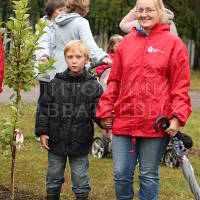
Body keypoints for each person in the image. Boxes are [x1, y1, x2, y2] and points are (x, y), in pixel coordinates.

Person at [96, 0, 192, 199]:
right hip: (125, 119)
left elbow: (180, 86)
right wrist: (105, 110)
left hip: (155, 124)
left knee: (148, 175)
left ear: (159, 12)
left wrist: (176, 117)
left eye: (149, 10)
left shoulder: (174, 44)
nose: (144, 14)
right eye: (140, 10)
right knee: (121, 174)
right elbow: (113, 80)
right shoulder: (127, 43)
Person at [35, 40, 103, 200]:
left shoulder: (93, 85)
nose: (74, 60)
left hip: (80, 141)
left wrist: (105, 121)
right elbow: (44, 109)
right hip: (56, 140)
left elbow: (98, 110)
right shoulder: (55, 83)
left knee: (80, 179)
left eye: (78, 57)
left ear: (86, 59)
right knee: (53, 176)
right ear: (65, 58)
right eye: (70, 56)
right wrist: (42, 132)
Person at [51, 0, 112, 75]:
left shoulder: (57, 22)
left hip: (56, 68)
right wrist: (103, 57)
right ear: (84, 7)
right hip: (74, 69)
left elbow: (52, 45)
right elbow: (89, 44)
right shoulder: (81, 22)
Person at [34, 0, 65, 140]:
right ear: (52, 11)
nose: (62, 12)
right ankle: (39, 130)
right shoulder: (44, 25)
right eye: (59, 10)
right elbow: (43, 41)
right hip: (46, 70)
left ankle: (54, 128)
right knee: (44, 99)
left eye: (64, 10)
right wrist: (43, 56)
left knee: (59, 100)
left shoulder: (64, 25)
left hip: (59, 69)